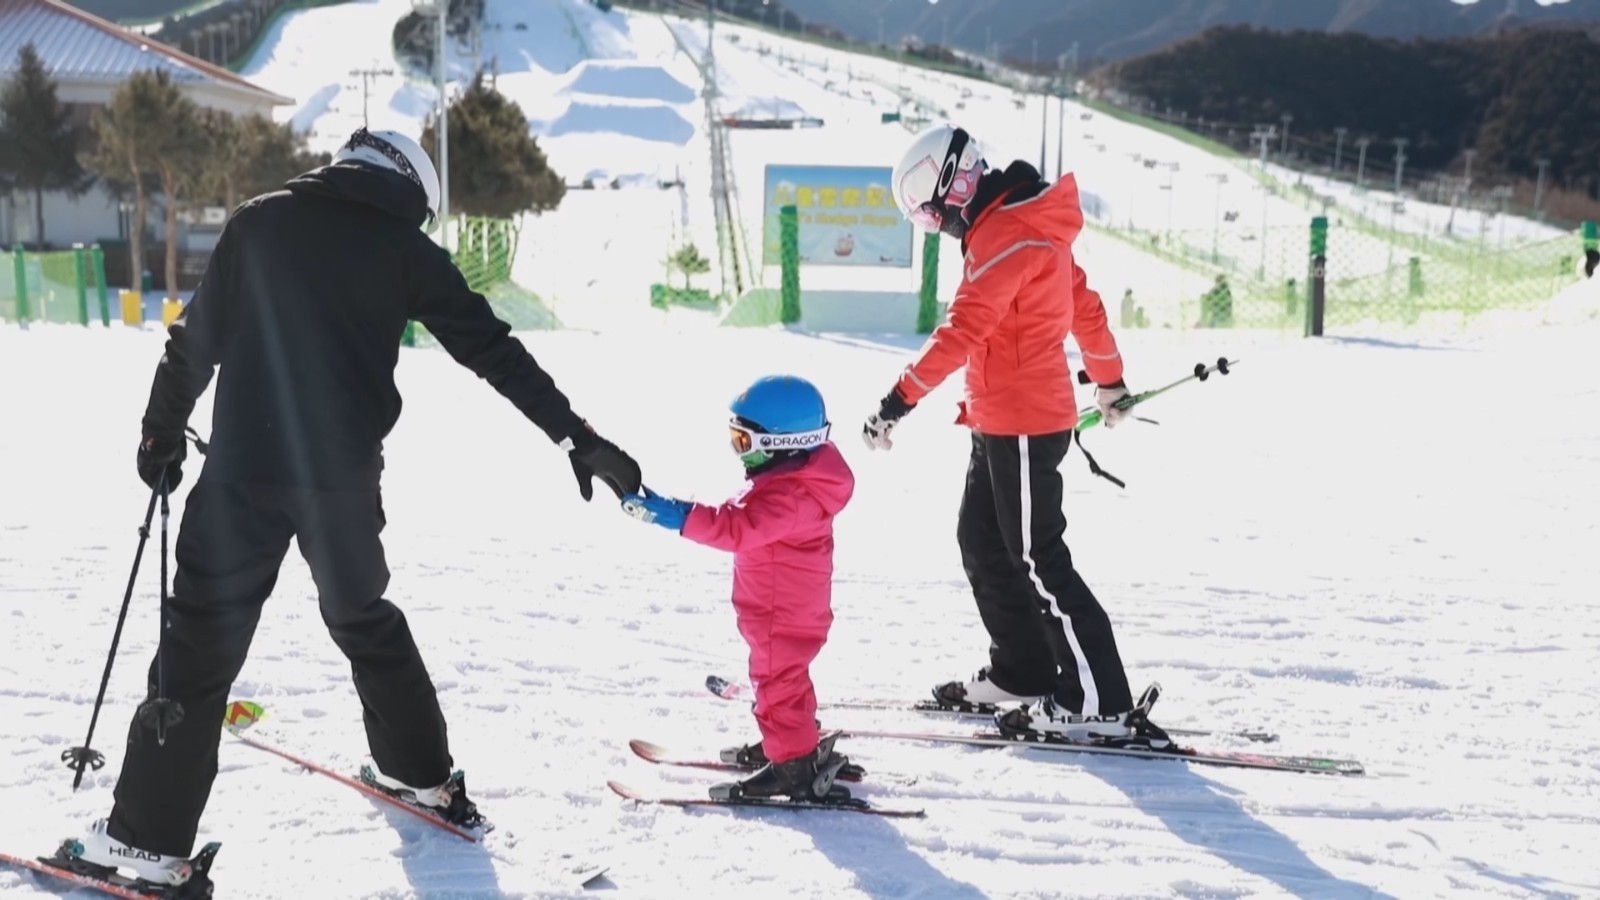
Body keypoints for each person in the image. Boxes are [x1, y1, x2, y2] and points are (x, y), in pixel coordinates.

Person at [73, 127, 642, 889]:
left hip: (243, 474)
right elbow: (493, 351)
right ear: (411, 192)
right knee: (363, 616)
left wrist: (161, 431)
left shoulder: (259, 221)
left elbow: (193, 343)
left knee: (200, 646)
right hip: (341, 484)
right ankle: (423, 775)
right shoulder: (406, 249)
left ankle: (145, 841)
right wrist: (577, 436)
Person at [860, 123, 1167, 748]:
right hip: (999, 418)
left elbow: (962, 333)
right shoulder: (1021, 224)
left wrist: (897, 401)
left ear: (952, 189)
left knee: (1037, 558)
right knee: (983, 542)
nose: (935, 227)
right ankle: (1023, 671)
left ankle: (1098, 700)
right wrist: (1107, 381)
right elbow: (1086, 307)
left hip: (1025, 421)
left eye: (928, 214)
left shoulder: (1005, 237)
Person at [622, 376, 857, 801]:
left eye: (744, 441)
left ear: (786, 443)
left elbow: (736, 528)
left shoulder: (789, 497)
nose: (738, 451)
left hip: (777, 612)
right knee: (787, 679)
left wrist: (676, 516)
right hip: (789, 606)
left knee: (777, 682)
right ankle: (791, 743)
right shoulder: (799, 481)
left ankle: (792, 768)